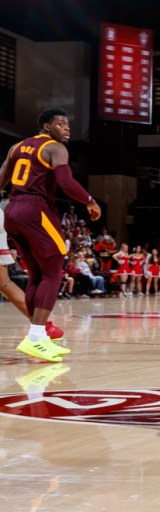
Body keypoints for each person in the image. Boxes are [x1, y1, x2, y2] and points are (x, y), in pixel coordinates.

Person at [0, 107, 101, 362]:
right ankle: (35, 337)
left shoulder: (17, 147)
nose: (66, 128)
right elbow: (66, 183)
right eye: (60, 124)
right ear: (47, 127)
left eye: (67, 125)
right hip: (36, 210)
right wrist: (89, 200)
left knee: (36, 274)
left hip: (11, 210)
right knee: (54, 272)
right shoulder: (56, 148)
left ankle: (41, 337)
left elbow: (1, 178)